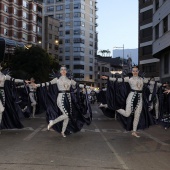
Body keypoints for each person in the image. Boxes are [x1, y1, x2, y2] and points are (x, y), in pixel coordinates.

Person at [36, 65, 89, 137]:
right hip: (60, 98)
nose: (63, 70)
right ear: (60, 71)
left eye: (64, 69)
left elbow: (79, 85)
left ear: (66, 71)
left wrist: (89, 87)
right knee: (66, 114)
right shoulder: (56, 79)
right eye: (62, 69)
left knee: (67, 116)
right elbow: (47, 83)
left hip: (68, 98)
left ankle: (63, 132)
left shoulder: (70, 80)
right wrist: (37, 85)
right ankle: (52, 122)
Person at [101, 66, 153, 138]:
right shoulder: (128, 78)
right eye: (133, 71)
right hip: (131, 97)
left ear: (138, 71)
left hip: (140, 98)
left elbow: (152, 82)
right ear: (132, 71)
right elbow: (118, 80)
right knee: (127, 114)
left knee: (137, 115)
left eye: (136, 71)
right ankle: (116, 108)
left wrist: (163, 85)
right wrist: (108, 78)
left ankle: (134, 131)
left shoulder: (142, 79)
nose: (135, 72)